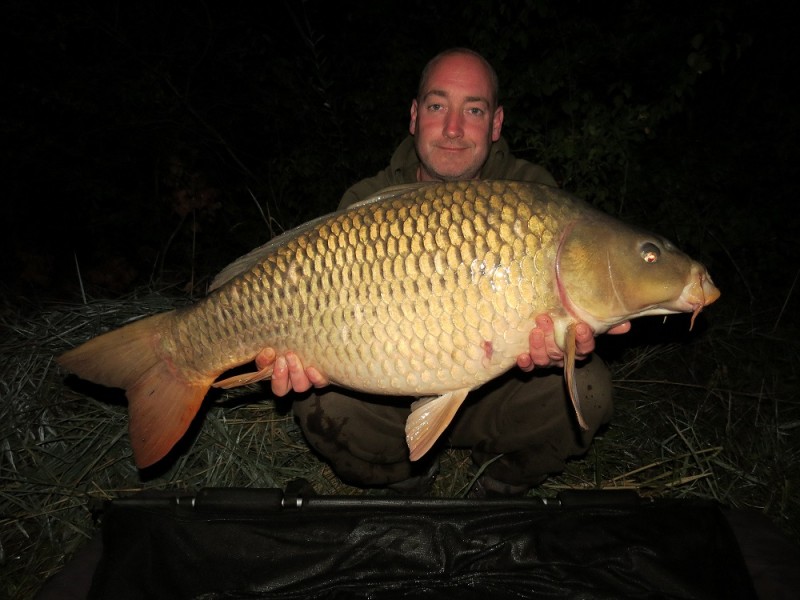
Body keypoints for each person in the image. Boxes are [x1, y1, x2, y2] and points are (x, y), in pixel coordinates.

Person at [262, 48, 630, 495]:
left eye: (473, 110)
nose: (453, 129)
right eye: (438, 106)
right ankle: (403, 482)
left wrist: (564, 346)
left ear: (495, 123)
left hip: (499, 387)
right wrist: (306, 354)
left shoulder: (532, 197)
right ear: (415, 116)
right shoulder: (369, 198)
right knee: (321, 401)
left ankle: (498, 483)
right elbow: (330, 326)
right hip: (389, 390)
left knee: (588, 388)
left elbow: (564, 318)